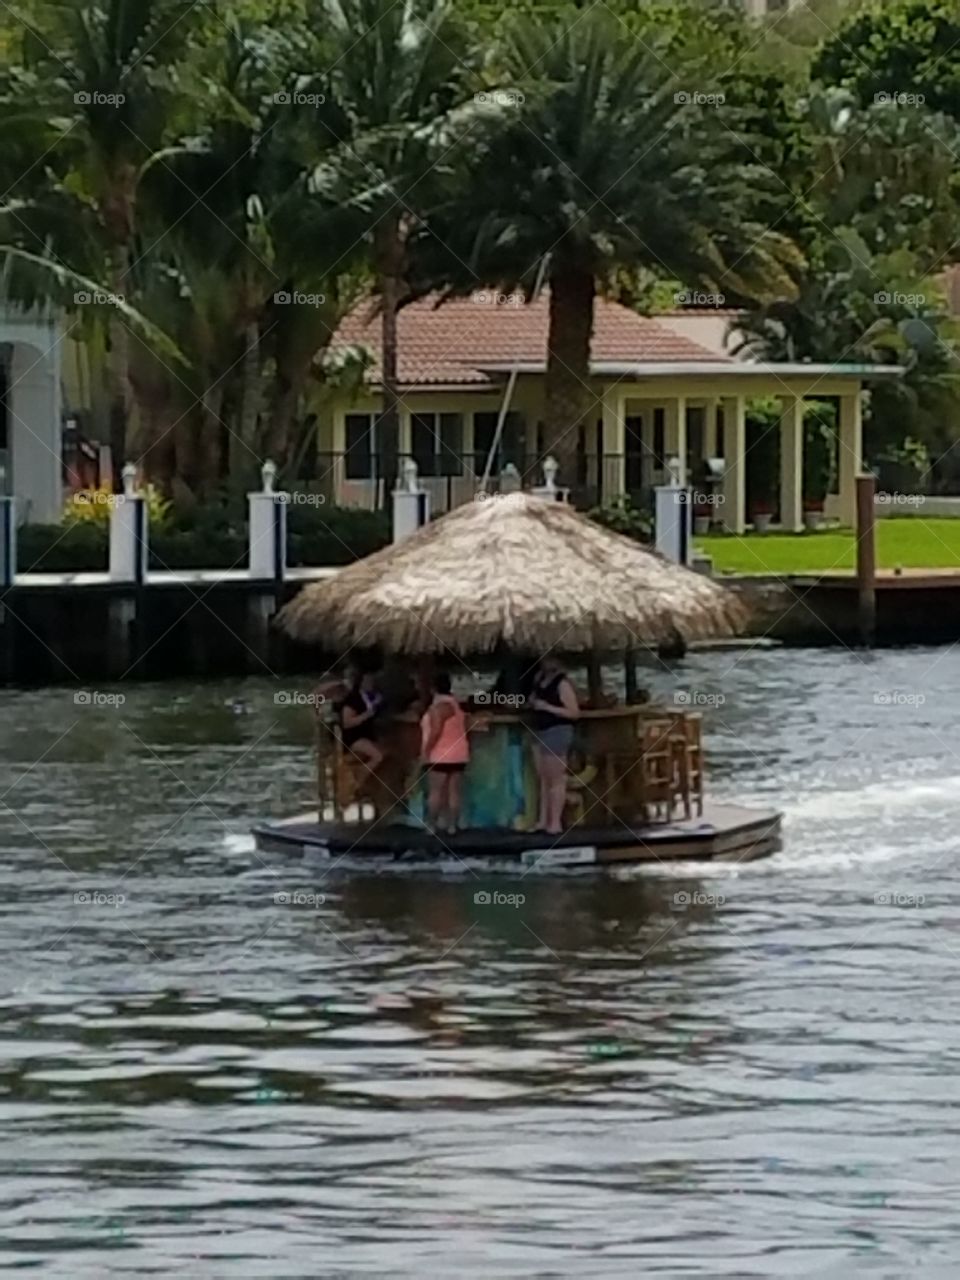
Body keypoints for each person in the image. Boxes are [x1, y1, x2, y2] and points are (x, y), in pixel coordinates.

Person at [529, 655, 580, 834]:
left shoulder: (562, 683)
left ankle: (555, 822)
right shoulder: (539, 679)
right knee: (543, 778)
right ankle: (543, 820)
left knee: (556, 779)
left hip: (557, 730)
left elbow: (574, 712)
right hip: (540, 730)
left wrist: (547, 707)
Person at [421, 672, 470, 833]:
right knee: (454, 792)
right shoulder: (456, 705)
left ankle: (431, 825)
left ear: (433, 689)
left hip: (440, 754)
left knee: (435, 792)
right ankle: (452, 826)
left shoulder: (438, 708)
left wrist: (426, 750)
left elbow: (435, 731)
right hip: (459, 753)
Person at [338, 669, 384, 772]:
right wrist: (366, 715)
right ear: (361, 683)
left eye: (372, 681)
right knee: (378, 756)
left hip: (366, 734)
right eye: (367, 681)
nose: (371, 684)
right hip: (352, 737)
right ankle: (359, 776)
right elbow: (347, 723)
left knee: (386, 750)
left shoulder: (372, 697)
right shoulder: (353, 699)